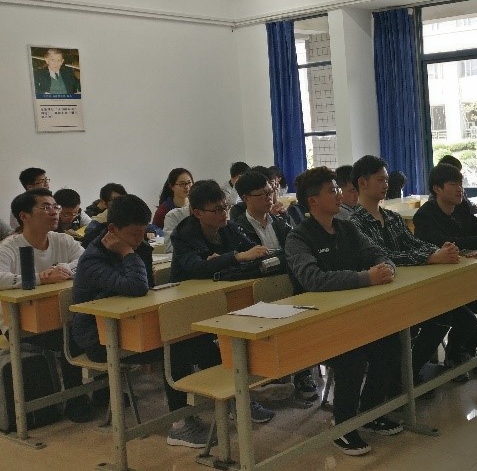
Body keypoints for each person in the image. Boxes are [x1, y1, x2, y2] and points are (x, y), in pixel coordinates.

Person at [70, 194, 220, 448]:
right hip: (99, 338)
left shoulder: (138, 246)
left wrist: (131, 250)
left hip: (133, 326)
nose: (140, 239)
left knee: (198, 337)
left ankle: (232, 401)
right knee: (175, 347)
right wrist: (127, 253)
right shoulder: (93, 259)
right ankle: (180, 425)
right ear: (113, 229)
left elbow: (145, 291)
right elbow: (138, 287)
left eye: (143, 232)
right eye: (133, 234)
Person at [284, 166, 402, 456]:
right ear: (313, 200)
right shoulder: (299, 238)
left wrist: (387, 267)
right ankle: (344, 425)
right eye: (332, 191)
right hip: (316, 320)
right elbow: (313, 279)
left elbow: (376, 252)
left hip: (353, 314)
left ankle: (370, 412)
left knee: (390, 342)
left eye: (338, 189)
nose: (339, 195)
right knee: (352, 354)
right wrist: (364, 278)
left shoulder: (347, 228)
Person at [347, 156, 469, 383]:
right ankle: (401, 379)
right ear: (362, 183)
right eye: (380, 180)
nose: (386, 184)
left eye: (386, 180)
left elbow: (413, 243)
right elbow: (383, 257)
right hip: (380, 297)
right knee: (433, 319)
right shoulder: (353, 224)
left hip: (408, 288)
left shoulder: (392, 217)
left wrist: (439, 250)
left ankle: (409, 372)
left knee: (449, 315)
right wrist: (431, 257)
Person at [168, 179, 278, 424]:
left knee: (235, 340)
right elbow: (196, 267)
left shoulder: (227, 227)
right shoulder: (184, 234)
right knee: (188, 351)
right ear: (197, 213)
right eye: (217, 209)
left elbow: (253, 251)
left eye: (225, 206)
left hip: (220, 301)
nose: (224, 213)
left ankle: (240, 399)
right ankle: (186, 419)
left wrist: (226, 259)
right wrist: (235, 257)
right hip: (186, 309)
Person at [412, 163, 477, 378]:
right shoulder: (425, 216)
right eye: (453, 184)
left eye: (460, 184)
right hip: (439, 287)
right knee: (466, 319)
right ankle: (454, 357)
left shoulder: (461, 208)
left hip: (465, 282)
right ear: (437, 189)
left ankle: (464, 350)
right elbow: (446, 242)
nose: (460, 189)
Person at [0, 188, 93, 422]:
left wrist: (64, 268)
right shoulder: (9, 247)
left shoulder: (62, 239)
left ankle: (102, 392)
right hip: (20, 322)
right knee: (72, 338)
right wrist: (40, 278)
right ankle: (76, 399)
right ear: (24, 216)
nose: (54, 212)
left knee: (93, 329)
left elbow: (87, 261)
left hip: (60, 315)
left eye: (55, 207)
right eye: (45, 207)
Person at [231, 171, 320, 403]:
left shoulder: (280, 221)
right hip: (259, 295)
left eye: (270, 192)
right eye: (262, 194)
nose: (269, 198)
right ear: (246, 198)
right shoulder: (238, 228)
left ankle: (302, 373)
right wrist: (281, 258)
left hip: (289, 287)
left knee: (304, 319)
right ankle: (271, 376)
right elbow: (255, 263)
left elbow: (298, 249)